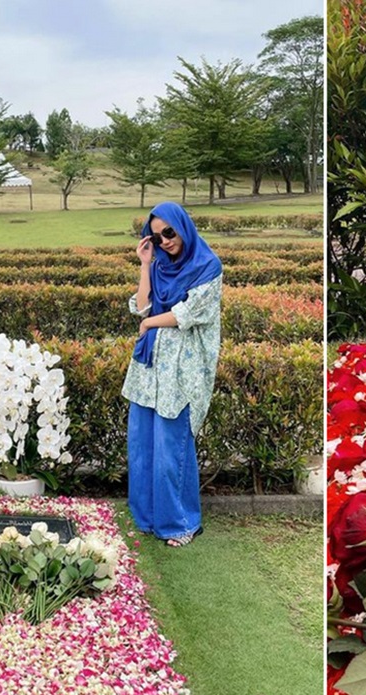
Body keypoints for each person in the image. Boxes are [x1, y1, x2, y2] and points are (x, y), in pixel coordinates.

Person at [123, 202, 223, 546]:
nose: (164, 241)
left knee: (171, 447)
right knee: (142, 443)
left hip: (182, 371)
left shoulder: (207, 266)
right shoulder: (159, 265)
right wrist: (146, 264)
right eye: (155, 235)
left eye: (169, 232)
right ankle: (148, 517)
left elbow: (188, 313)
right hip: (149, 368)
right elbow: (142, 304)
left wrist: (149, 323)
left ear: (183, 226)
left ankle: (181, 523)